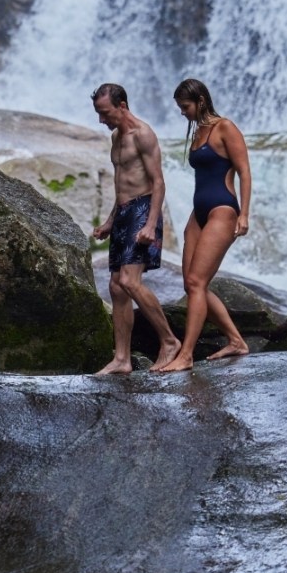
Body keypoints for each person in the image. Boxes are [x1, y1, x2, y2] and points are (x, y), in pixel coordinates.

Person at [157, 79, 252, 372]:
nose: (182, 113)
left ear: (199, 100)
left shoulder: (225, 127)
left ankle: (185, 355)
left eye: (185, 107)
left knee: (197, 283)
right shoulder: (198, 131)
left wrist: (244, 214)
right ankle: (236, 340)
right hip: (199, 213)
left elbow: (245, 172)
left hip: (223, 209)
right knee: (192, 284)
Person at [90, 83, 182, 374]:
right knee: (116, 287)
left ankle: (169, 342)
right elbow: (122, 186)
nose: (101, 120)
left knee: (130, 282)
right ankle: (122, 359)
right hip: (125, 213)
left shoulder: (143, 135)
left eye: (105, 113)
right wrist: (109, 221)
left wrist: (151, 224)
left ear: (122, 106)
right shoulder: (117, 137)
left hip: (143, 210)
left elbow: (158, 182)